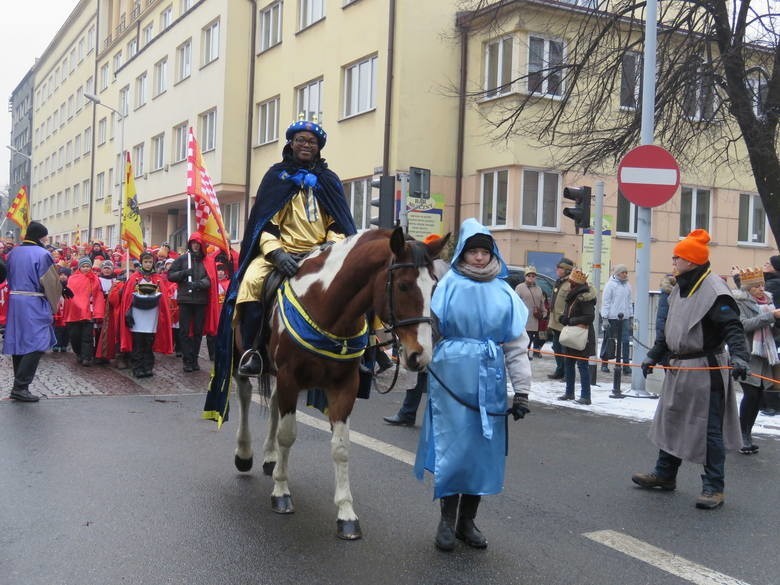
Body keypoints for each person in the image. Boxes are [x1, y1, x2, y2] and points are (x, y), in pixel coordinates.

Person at [414, 218, 531, 552]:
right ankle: (446, 520)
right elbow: (429, 329)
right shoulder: (446, 285)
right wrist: (420, 356)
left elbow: (516, 344)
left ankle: (468, 521)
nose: (479, 257)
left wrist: (522, 390)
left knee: (482, 452)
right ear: (463, 254)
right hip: (450, 378)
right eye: (472, 251)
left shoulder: (505, 291)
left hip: (489, 379)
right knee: (454, 450)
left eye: (484, 251)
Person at [223, 118, 356, 378]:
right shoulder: (276, 177)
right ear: (291, 144)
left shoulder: (329, 180)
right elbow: (265, 222)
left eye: (312, 142)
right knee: (251, 282)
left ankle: (363, 348)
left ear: (319, 147)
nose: (306, 145)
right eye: (301, 140)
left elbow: (339, 221)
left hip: (321, 253)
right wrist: (278, 254)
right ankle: (253, 351)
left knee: (356, 283)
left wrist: (332, 246)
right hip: (280, 253)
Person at [633, 229, 749, 510]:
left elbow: (733, 327)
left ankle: (714, 487)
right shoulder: (680, 288)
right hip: (679, 368)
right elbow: (669, 329)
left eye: (677, 258)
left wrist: (740, 357)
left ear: (692, 261)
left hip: (704, 371)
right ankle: (665, 475)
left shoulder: (715, 292)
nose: (673, 262)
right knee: (672, 421)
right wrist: (654, 355)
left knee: (707, 430)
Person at [383, 235, 450, 427]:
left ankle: (409, 413)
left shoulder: (431, 268)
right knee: (424, 372)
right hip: (433, 326)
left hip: (428, 326)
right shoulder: (445, 267)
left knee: (422, 370)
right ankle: (410, 412)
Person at [3, 221, 59, 402]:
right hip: (33, 300)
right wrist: (55, 302)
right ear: (40, 237)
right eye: (45, 236)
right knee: (38, 342)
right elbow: (50, 283)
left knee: (20, 341)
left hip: (15, 301)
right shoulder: (43, 254)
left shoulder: (13, 253)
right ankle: (21, 386)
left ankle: (19, 386)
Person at [731, 267, 780, 454]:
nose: (761, 288)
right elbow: (743, 325)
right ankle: (741, 436)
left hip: (765, 355)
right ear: (748, 289)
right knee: (751, 395)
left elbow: (771, 331)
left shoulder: (768, 301)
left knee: (758, 396)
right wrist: (770, 316)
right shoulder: (740, 302)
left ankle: (746, 434)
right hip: (747, 354)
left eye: (762, 285)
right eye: (756, 286)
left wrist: (777, 322)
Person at [166, 232, 218, 372]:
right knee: (184, 331)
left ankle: (194, 359)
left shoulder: (207, 261)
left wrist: (198, 284)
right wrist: (183, 274)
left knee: (197, 331)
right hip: (185, 300)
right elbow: (170, 275)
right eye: (193, 243)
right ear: (190, 244)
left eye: (198, 243)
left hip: (200, 301)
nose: (195, 245)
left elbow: (210, 279)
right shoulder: (182, 259)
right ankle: (187, 360)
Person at [120, 251, 173, 378]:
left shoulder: (158, 278)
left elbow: (164, 299)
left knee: (149, 343)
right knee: (138, 342)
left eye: (150, 262)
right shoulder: (134, 278)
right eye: (146, 262)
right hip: (138, 316)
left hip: (152, 315)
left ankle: (148, 367)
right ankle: (137, 367)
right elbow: (127, 298)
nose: (148, 264)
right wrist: (128, 311)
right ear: (141, 263)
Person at [557, 268, 596, 405]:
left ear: (575, 283)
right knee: (569, 363)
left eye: (571, 282)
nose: (569, 284)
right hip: (573, 335)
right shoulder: (573, 294)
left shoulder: (584, 297)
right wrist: (564, 318)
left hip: (581, 336)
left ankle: (586, 396)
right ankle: (569, 393)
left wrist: (570, 321)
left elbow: (589, 317)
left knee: (582, 365)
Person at [64, 257, 106, 366]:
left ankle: (87, 357)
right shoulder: (72, 279)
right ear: (79, 267)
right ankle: (79, 353)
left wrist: (98, 312)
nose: (86, 268)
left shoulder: (95, 279)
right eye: (83, 266)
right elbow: (70, 296)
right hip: (75, 312)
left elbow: (98, 296)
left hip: (89, 312)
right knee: (75, 336)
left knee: (87, 336)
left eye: (88, 266)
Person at [600, 264, 634, 375]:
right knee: (608, 340)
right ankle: (604, 363)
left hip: (624, 318)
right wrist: (604, 318)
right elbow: (606, 302)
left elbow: (629, 303)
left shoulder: (627, 286)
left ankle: (625, 365)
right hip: (611, 317)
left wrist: (630, 317)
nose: (625, 274)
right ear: (617, 273)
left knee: (625, 341)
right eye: (623, 272)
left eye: (626, 272)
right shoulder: (610, 285)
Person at [547, 258, 575, 380]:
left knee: (565, 350)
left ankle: (567, 374)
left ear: (567, 270)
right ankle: (559, 370)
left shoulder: (570, 284)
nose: (557, 270)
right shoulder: (559, 282)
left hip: (564, 322)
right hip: (555, 321)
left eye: (560, 268)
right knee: (556, 348)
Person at [514, 266, 548, 360]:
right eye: (529, 275)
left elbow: (542, 303)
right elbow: (515, 302)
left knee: (535, 338)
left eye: (533, 276)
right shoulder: (519, 287)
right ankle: (524, 354)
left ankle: (530, 352)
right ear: (525, 276)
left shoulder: (539, 289)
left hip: (536, 319)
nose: (531, 277)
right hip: (524, 319)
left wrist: (544, 313)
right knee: (526, 338)